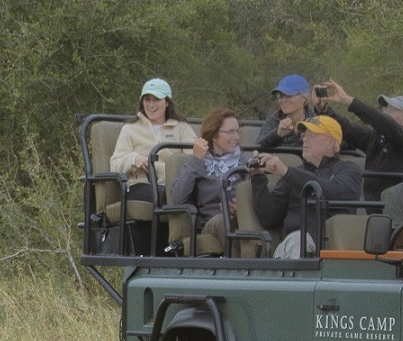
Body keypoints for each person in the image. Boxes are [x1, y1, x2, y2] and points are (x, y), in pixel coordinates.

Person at [252, 114, 363, 257]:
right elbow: (269, 217)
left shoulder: (349, 169)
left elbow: (337, 191)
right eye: (304, 135)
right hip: (294, 246)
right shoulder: (294, 173)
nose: (304, 139)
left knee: (299, 242)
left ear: (331, 143)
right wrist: (257, 177)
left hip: (331, 248)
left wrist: (287, 172)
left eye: (312, 135)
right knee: (297, 241)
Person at [108, 78, 189, 251]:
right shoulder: (130, 129)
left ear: (167, 102)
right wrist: (132, 158)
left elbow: (193, 157)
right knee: (170, 196)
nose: (151, 105)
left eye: (156, 100)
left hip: (173, 184)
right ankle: (174, 245)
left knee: (183, 193)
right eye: (147, 100)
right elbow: (114, 164)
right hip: (142, 185)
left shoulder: (181, 128)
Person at [167, 108, 247, 249]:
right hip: (212, 222)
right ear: (214, 135)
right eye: (231, 132)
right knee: (222, 221)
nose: (237, 137)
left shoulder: (244, 162)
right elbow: (177, 198)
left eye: (237, 132)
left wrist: (241, 207)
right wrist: (197, 159)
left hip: (242, 219)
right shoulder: (198, 163)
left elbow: (254, 194)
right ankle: (242, 267)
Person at [315, 81, 403, 186]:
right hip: (370, 203)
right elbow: (349, 129)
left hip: (395, 203)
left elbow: (383, 122)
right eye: (385, 108)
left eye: (393, 109)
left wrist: (348, 100)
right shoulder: (376, 137)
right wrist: (324, 109)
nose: (385, 112)